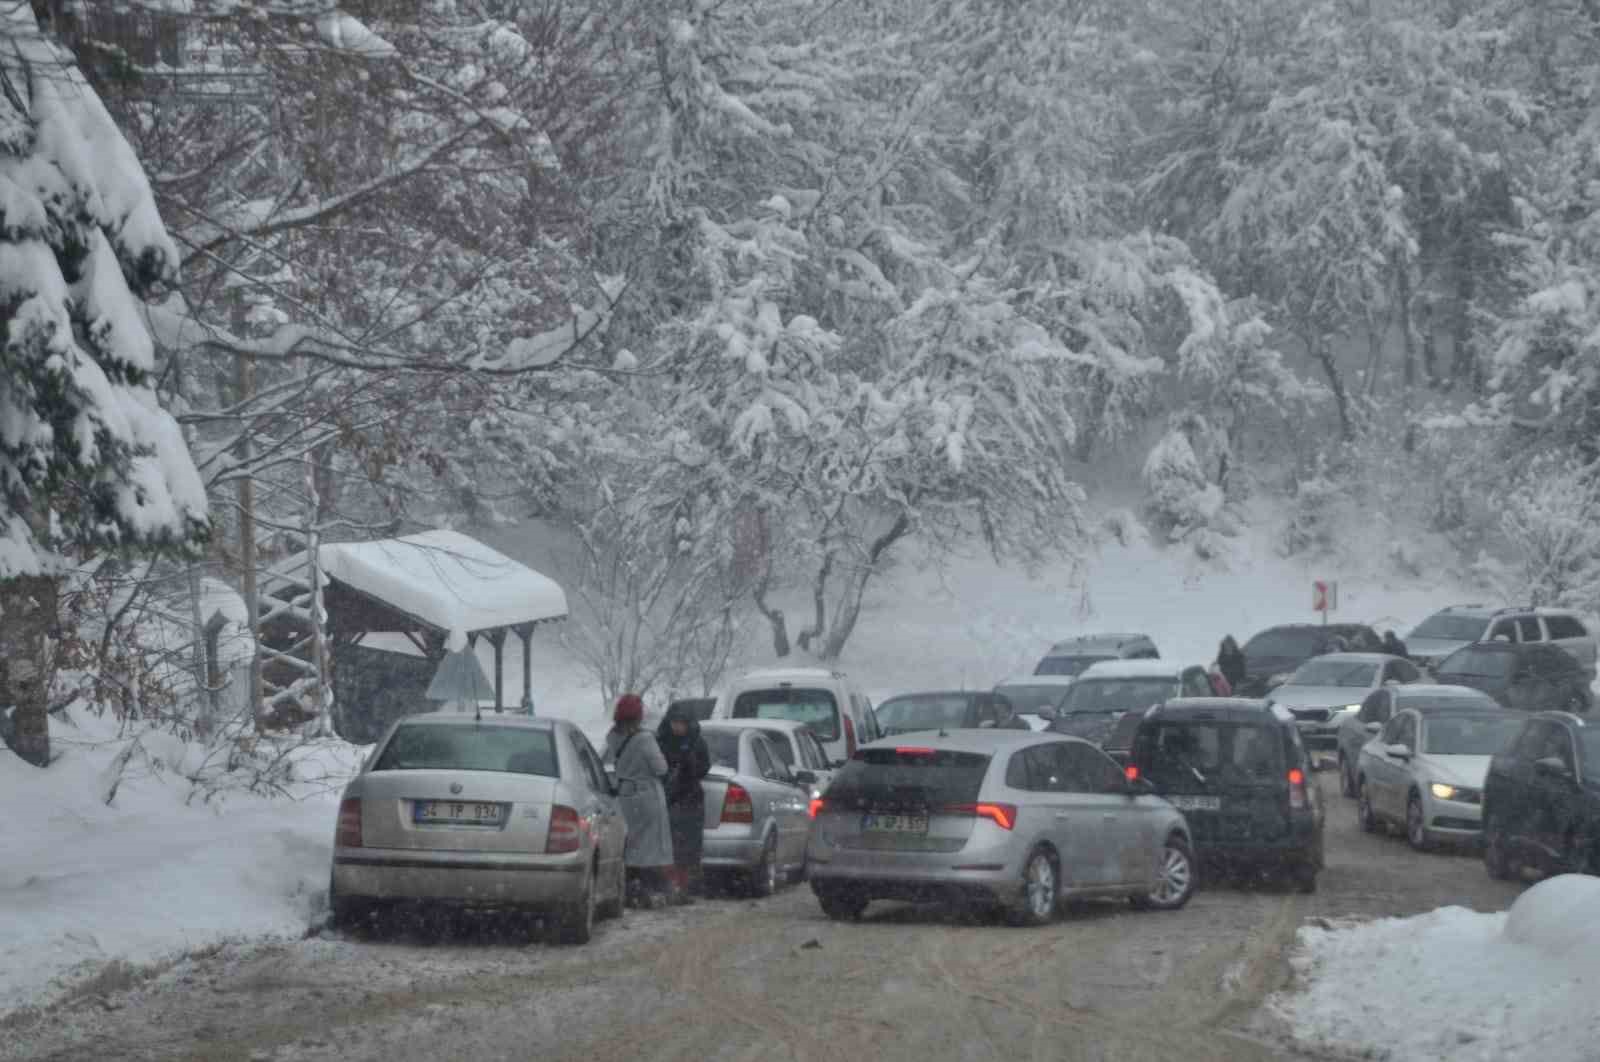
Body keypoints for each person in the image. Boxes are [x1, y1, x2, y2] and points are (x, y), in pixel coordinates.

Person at [603, 693, 674, 908]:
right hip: (646, 795)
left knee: (631, 841)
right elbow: (661, 768)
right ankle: (648, 889)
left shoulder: (612, 737)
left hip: (625, 795)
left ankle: (628, 886)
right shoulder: (645, 739)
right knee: (651, 844)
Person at [656, 702, 711, 905]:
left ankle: (683, 887)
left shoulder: (697, 742)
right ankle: (670, 886)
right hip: (668, 798)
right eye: (674, 723)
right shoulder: (661, 741)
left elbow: (704, 767)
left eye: (681, 723)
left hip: (689, 797)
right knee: (668, 846)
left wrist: (690, 766)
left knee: (688, 848)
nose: (677, 727)